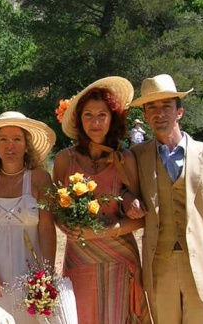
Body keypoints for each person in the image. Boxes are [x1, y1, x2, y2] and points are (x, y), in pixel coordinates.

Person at [129, 74, 203, 323]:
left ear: (179, 112)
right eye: (152, 108)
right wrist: (127, 199)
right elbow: (122, 188)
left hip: (202, 266)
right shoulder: (136, 156)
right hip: (159, 267)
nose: (159, 114)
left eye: (166, 106)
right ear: (145, 116)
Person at [53, 76, 150, 323]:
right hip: (80, 258)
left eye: (102, 115)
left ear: (112, 118)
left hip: (119, 258)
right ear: (78, 120)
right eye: (88, 115)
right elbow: (54, 210)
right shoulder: (66, 159)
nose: (95, 122)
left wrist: (102, 232)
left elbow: (140, 219)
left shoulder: (125, 159)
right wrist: (69, 227)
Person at [0, 111, 57, 322]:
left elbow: (46, 229)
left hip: (29, 275)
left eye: (17, 139)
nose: (10, 146)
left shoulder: (40, 179)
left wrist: (46, 276)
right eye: (4, 139)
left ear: (27, 145)